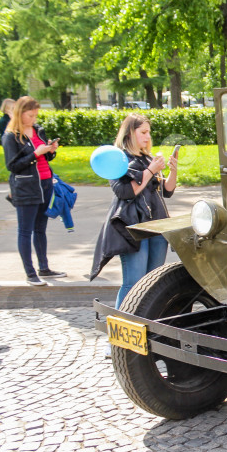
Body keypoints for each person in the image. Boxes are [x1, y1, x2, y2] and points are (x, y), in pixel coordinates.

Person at [90, 113, 177, 309]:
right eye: (143, 132)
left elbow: (166, 191)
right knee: (134, 282)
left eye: (149, 132)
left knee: (153, 282)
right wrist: (150, 171)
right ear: (130, 133)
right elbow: (126, 192)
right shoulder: (118, 159)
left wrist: (173, 171)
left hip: (156, 225)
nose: (148, 137)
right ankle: (122, 327)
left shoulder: (147, 158)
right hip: (132, 228)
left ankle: (147, 324)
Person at [2, 96, 64, 286]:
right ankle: (30, 273)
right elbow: (13, 166)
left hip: (45, 183)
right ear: (20, 113)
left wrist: (51, 150)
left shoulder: (38, 131)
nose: (34, 119)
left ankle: (44, 267)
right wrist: (36, 154)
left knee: (40, 229)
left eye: (36, 115)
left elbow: (46, 159)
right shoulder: (11, 136)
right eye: (31, 115)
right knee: (25, 230)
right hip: (26, 187)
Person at [0, 98, 15, 205]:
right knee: (14, 170)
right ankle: (12, 194)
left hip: (14, 146)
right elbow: (7, 134)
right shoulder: (4, 120)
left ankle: (12, 194)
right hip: (10, 147)